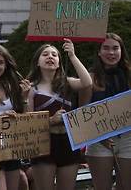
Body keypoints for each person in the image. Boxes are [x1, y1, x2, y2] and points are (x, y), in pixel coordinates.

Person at [26, 40, 92, 190]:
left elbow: (87, 83)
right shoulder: (31, 87)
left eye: (54, 55)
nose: (50, 56)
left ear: (58, 63)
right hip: (44, 144)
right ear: (37, 61)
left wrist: (72, 56)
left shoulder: (67, 83)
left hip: (68, 143)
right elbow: (28, 122)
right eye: (45, 54)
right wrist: (50, 121)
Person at [81, 33, 131, 189]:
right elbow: (83, 113)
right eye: (106, 48)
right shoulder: (90, 78)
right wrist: (99, 136)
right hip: (99, 141)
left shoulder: (129, 74)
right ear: (99, 51)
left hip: (128, 139)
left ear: (121, 51)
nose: (111, 53)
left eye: (115, 48)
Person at [0, 45, 32, 190]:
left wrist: (24, 99)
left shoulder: (12, 86)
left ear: (6, 64)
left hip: (10, 148)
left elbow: (23, 119)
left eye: (0, 62)